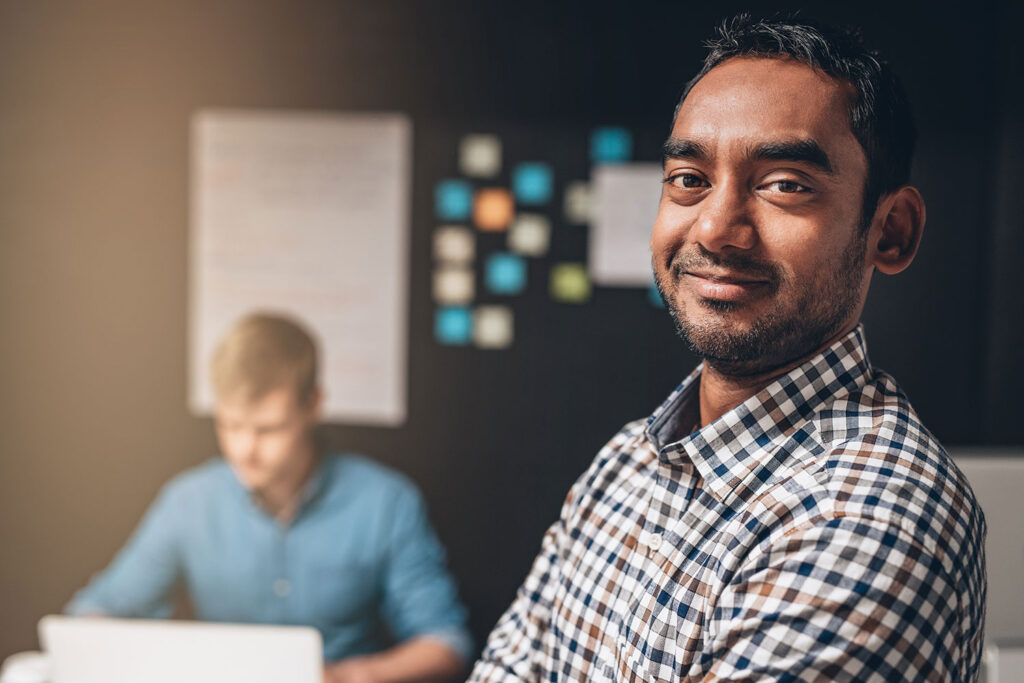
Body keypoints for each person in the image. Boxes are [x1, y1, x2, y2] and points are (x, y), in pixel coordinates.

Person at [470, 15, 986, 682]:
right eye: (689, 178)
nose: (716, 228)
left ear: (891, 231)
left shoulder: (868, 513)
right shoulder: (628, 461)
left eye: (785, 184)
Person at [67, 313, 471, 683]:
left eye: (268, 429)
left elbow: (446, 643)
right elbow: (98, 609)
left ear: (313, 405)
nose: (244, 449)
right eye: (231, 425)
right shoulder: (189, 501)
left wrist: (347, 677)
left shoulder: (386, 502)